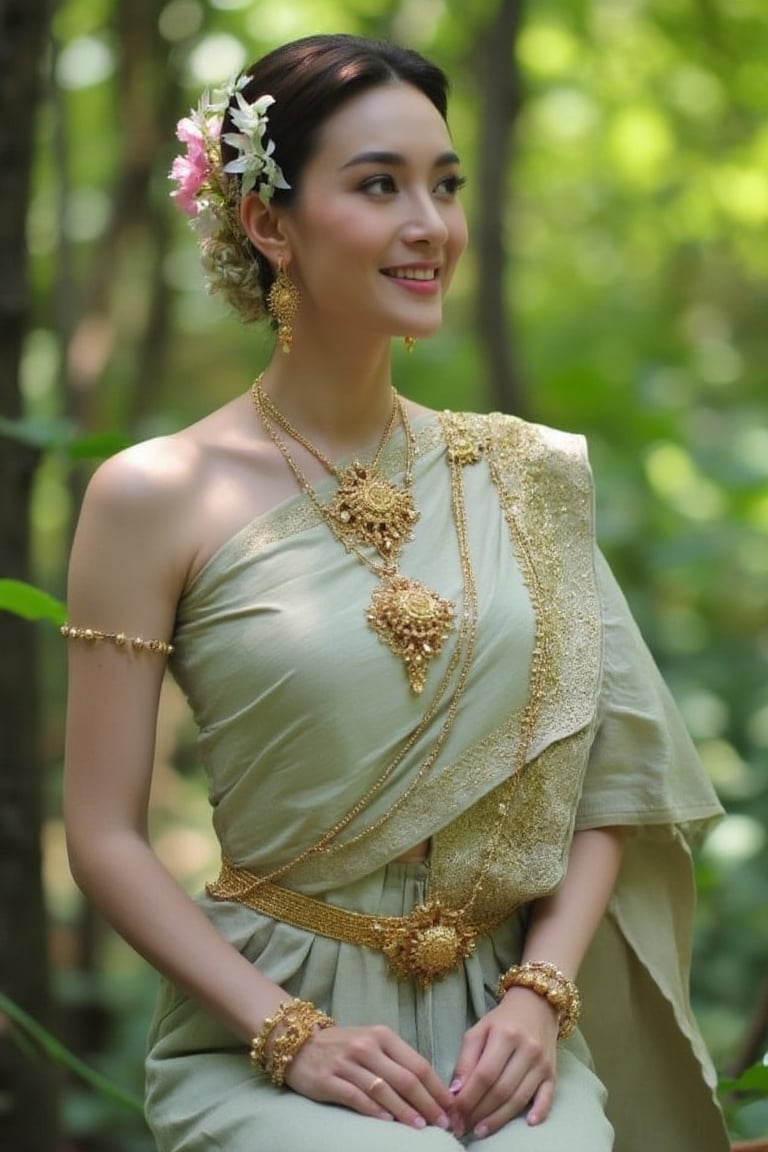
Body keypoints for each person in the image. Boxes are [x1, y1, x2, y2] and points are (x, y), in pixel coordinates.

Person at [62, 33, 731, 1152]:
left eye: (446, 185)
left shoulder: (522, 479)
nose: (431, 225)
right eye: (380, 185)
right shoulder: (154, 495)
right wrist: (288, 1032)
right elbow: (102, 837)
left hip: (500, 1028)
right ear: (268, 222)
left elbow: (610, 783)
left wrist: (539, 995)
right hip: (264, 1025)